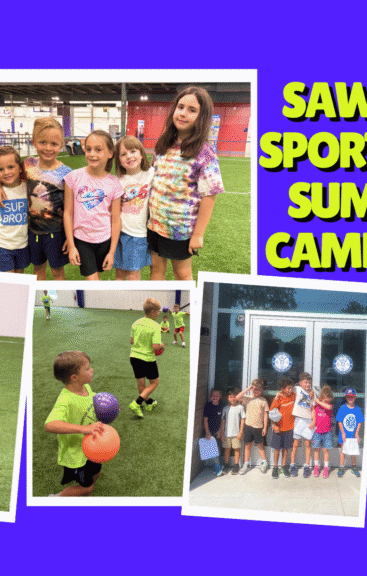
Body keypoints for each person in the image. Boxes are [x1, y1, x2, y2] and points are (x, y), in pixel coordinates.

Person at [147, 86, 225, 280]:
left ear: (201, 117)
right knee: (155, 270)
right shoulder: (163, 145)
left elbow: (209, 196)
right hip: (154, 224)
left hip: (180, 230)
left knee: (181, 273)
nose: (183, 114)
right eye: (180, 107)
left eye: (192, 110)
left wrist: (198, 234)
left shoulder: (205, 154)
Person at [0, 117, 71, 280]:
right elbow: (9, 176)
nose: (48, 148)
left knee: (57, 272)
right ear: (33, 142)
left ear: (61, 145)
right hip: (32, 232)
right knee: (38, 270)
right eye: (43, 142)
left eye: (54, 144)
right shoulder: (28, 164)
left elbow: (72, 209)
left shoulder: (67, 173)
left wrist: (71, 237)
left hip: (56, 233)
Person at [44, 351, 106, 496]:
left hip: (92, 447)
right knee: (87, 487)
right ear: (74, 377)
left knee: (96, 473)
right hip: (76, 454)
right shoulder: (65, 400)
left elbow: (92, 400)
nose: (92, 370)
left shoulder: (85, 388)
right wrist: (83, 429)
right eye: (87, 369)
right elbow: (50, 424)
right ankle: (55, 499)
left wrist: (108, 408)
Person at [63, 130, 124, 280]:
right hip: (82, 240)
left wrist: (111, 251)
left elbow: (116, 219)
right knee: (92, 280)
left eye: (98, 150)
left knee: (96, 277)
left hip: (104, 240)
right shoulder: (73, 178)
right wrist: (71, 245)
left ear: (110, 153)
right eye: (88, 149)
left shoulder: (114, 184)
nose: (92, 154)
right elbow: (68, 213)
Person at [0, 146, 30, 273]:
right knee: (10, 282)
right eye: (0, 169)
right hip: (1, 244)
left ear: (20, 168)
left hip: (22, 243)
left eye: (10, 167)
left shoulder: (28, 188)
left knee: (20, 278)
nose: (6, 172)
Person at [113, 136, 154, 280]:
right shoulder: (117, 180)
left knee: (133, 276)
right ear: (119, 160)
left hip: (139, 235)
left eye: (133, 151)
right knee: (120, 275)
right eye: (123, 154)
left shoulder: (151, 174)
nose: (129, 156)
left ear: (141, 154)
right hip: (119, 233)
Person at [128, 298, 165, 418]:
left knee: (141, 383)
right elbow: (155, 347)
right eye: (158, 311)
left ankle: (149, 403)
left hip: (134, 357)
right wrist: (162, 345)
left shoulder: (136, 323)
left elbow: (132, 341)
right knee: (154, 383)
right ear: (153, 312)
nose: (159, 313)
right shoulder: (155, 326)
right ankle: (137, 403)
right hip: (147, 359)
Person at [238, 380, 270, 474]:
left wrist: (264, 427)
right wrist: (248, 388)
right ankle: (246, 464)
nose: (257, 391)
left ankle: (264, 463)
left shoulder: (263, 401)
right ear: (252, 389)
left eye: (259, 390)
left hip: (259, 427)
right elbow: (237, 397)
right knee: (248, 445)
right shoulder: (248, 398)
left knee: (260, 445)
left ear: (262, 390)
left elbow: (265, 415)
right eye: (255, 389)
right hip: (248, 426)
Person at [270, 378, 296, 478]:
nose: (290, 390)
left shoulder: (294, 395)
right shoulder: (278, 398)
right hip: (278, 428)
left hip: (290, 427)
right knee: (277, 449)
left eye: (291, 388)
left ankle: (283, 466)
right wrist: (274, 425)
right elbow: (272, 413)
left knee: (286, 449)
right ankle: (275, 467)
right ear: (282, 389)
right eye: (288, 388)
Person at [336, 388, 364, 478]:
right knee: (343, 450)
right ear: (346, 398)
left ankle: (354, 466)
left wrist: (357, 433)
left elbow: (359, 421)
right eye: (348, 397)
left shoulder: (357, 408)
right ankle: (341, 467)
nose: (350, 398)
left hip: (353, 434)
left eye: (352, 397)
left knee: (353, 450)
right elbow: (339, 421)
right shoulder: (342, 408)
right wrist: (343, 433)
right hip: (344, 433)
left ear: (355, 397)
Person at [291, 372, 315, 477]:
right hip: (298, 420)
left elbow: (313, 408)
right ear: (300, 383)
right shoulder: (297, 389)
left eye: (309, 383)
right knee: (295, 444)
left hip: (308, 421)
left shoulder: (313, 394)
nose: (307, 385)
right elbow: (287, 388)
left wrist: (314, 420)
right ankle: (292, 465)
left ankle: (307, 466)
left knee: (307, 444)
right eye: (305, 382)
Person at [310, 385, 335, 478]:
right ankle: (316, 467)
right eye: (326, 400)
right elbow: (312, 410)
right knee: (316, 449)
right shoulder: (316, 406)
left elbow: (328, 407)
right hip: (317, 432)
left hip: (327, 432)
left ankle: (325, 468)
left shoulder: (329, 406)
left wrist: (319, 401)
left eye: (329, 400)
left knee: (325, 450)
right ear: (321, 398)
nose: (327, 402)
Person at [221, 388, 245, 474]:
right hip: (227, 434)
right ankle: (226, 465)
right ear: (228, 398)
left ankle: (236, 465)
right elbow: (223, 422)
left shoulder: (240, 408)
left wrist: (240, 432)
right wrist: (222, 433)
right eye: (230, 397)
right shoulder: (225, 409)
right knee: (227, 449)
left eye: (234, 397)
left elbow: (242, 420)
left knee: (236, 449)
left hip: (236, 433)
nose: (233, 399)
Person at [202, 388, 225, 476]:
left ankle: (217, 464)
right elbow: (205, 420)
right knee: (211, 449)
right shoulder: (208, 406)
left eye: (217, 396)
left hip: (218, 431)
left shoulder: (222, 406)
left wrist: (220, 431)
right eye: (213, 395)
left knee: (217, 448)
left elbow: (223, 421)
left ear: (220, 397)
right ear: (210, 396)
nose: (215, 397)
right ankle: (217, 465)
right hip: (209, 431)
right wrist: (207, 432)